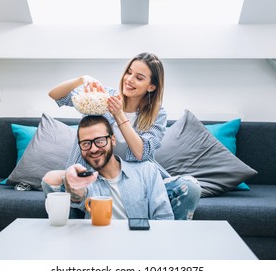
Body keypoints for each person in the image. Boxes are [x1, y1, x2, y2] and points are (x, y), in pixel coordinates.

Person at [47, 52, 201, 220]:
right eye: (129, 72)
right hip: (95, 176)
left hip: (136, 180)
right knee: (52, 183)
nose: (129, 79)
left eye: (139, 77)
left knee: (190, 187)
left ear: (151, 86)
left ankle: (169, 237)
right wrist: (82, 79)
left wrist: (119, 114)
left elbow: (142, 152)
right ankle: (76, 231)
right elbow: (56, 95)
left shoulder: (157, 114)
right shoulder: (104, 96)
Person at [42, 115, 174, 220]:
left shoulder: (147, 170)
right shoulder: (87, 180)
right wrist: (69, 176)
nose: (93, 149)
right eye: (86, 143)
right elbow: (69, 191)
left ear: (113, 140)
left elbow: (164, 218)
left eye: (99, 141)